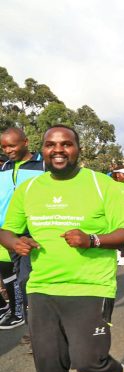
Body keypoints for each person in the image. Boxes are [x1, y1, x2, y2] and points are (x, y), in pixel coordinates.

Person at [0, 125, 124, 372]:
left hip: (90, 285)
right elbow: (6, 230)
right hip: (42, 286)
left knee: (87, 359)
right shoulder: (30, 189)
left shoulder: (100, 184)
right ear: (42, 149)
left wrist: (92, 239)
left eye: (66, 144)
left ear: (78, 148)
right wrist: (14, 243)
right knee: (48, 364)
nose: (58, 150)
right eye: (51, 144)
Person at [0, 127, 44, 330]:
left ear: (25, 142)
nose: (8, 150)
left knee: (30, 279)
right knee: (20, 278)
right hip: (9, 234)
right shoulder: (5, 168)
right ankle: (33, 327)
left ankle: (41, 327)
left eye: (12, 145)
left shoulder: (44, 164)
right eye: (4, 147)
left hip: (35, 234)